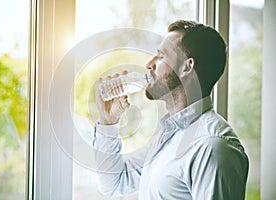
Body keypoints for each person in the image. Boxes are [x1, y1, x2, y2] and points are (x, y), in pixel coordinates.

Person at [93, 20, 249, 200]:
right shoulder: (168, 134)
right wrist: (108, 122)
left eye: (160, 56)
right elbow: (114, 184)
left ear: (187, 67)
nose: (149, 64)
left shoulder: (212, 148)